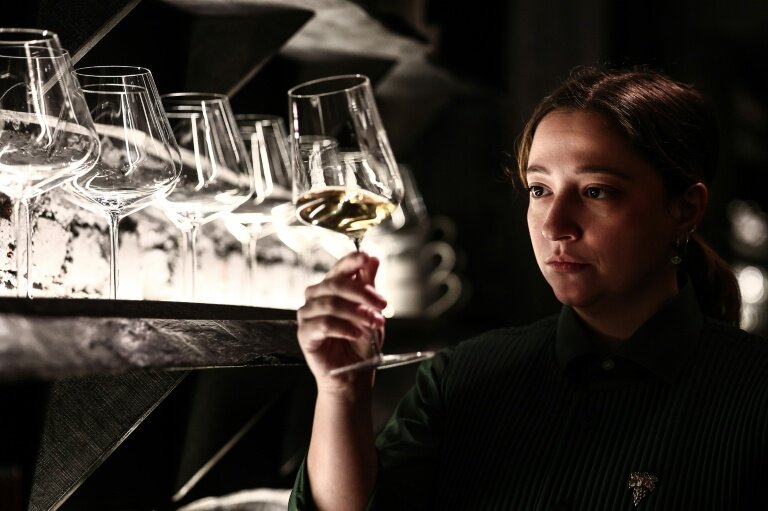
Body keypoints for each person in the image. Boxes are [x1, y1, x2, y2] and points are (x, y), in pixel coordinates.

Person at [288, 66, 768, 510]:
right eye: (539, 190)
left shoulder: (751, 393)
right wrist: (341, 390)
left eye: (596, 190)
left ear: (684, 210)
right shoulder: (462, 377)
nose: (555, 224)